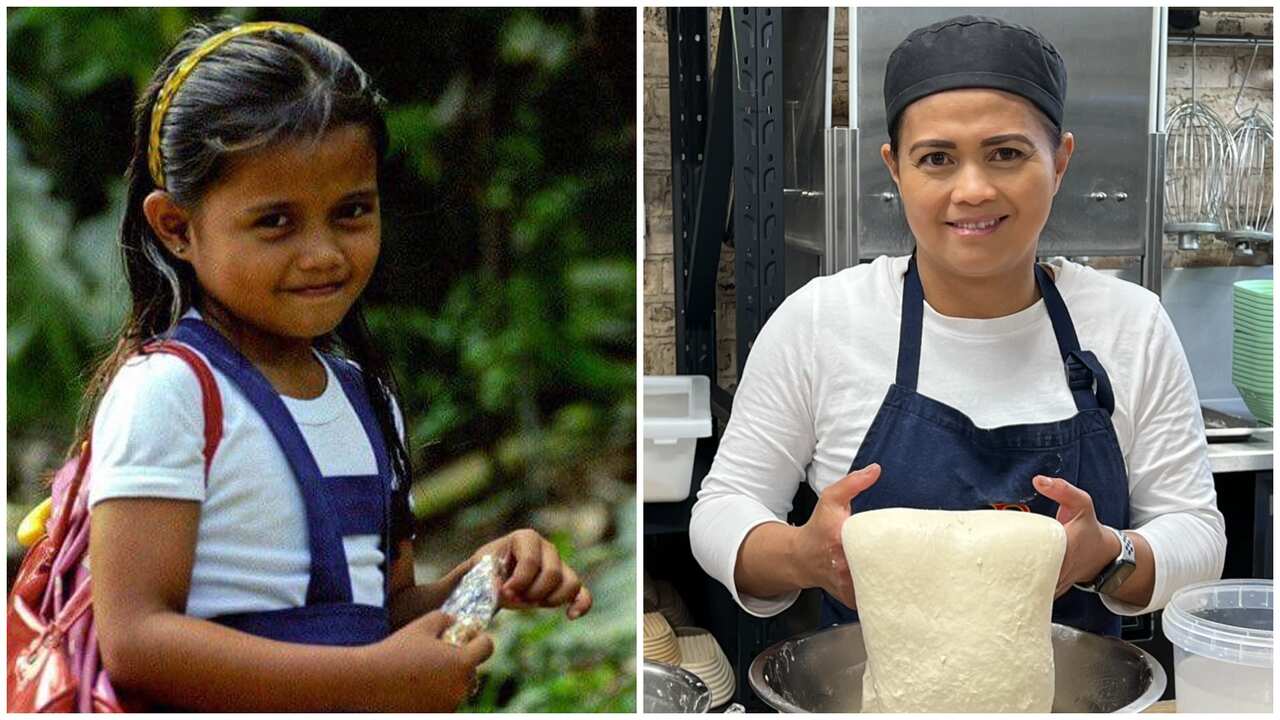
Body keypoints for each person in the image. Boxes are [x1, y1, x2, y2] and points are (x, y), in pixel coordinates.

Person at [84, 20, 591, 712]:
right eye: (275, 222)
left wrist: (478, 582)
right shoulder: (170, 391)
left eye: (351, 211)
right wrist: (375, 681)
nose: (323, 254)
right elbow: (136, 641)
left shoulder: (366, 397)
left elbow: (376, 618)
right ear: (176, 227)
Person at [690, 15, 1225, 637]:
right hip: (872, 685)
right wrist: (803, 556)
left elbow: (1197, 534)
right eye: (936, 158)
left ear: (1059, 162)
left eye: (1006, 154)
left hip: (1072, 686)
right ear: (896, 169)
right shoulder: (820, 321)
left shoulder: (1132, 324)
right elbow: (724, 508)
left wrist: (1107, 555)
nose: (972, 190)